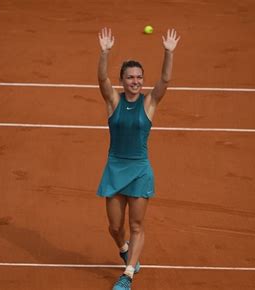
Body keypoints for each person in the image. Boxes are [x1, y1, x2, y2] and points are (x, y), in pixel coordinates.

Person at [96, 27, 180, 290]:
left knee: (136, 224)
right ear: (122, 80)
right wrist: (105, 53)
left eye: (139, 77)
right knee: (114, 226)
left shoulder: (149, 103)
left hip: (140, 170)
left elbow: (164, 81)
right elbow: (101, 80)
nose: (135, 81)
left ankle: (128, 274)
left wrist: (168, 53)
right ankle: (124, 249)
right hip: (115, 168)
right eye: (130, 77)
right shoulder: (113, 100)